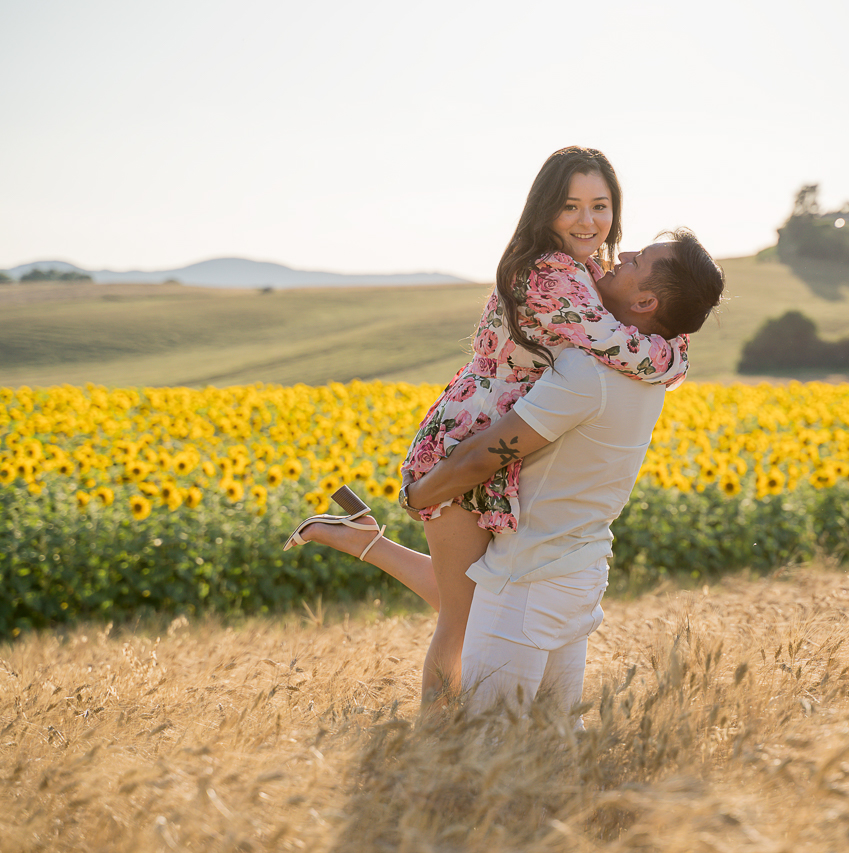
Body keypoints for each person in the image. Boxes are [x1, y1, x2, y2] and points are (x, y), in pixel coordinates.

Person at [287, 146, 687, 706]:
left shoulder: (589, 270)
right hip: (465, 442)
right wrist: (675, 353)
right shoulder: (549, 274)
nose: (588, 221)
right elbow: (616, 344)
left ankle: (363, 542)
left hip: (504, 445)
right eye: (570, 206)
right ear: (544, 210)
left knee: (474, 597)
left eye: (600, 206)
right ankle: (437, 741)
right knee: (461, 619)